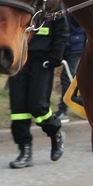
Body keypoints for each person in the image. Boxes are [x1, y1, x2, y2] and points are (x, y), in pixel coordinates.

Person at [8, 12, 69, 168]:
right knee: (18, 110)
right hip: (19, 59)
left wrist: (55, 57)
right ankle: (25, 152)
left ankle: (55, 132)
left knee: (38, 107)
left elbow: (62, 32)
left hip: (42, 62)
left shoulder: (52, 4)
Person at [54, 13, 85, 123]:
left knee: (67, 76)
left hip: (76, 46)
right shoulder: (60, 4)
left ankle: (63, 110)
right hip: (63, 45)